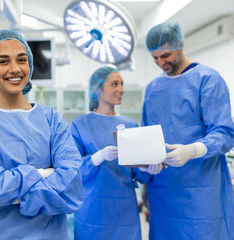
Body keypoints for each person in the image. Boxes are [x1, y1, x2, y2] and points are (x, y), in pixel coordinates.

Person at [0, 29, 83, 240]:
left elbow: (72, 182)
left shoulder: (51, 119)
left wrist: (11, 191)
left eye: (22, 60)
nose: (15, 68)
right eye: (3, 61)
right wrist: (42, 174)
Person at [142, 22, 234, 239]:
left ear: (180, 45)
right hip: (162, 189)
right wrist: (146, 177)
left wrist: (192, 150)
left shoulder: (207, 80)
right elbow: (146, 136)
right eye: (155, 58)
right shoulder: (153, 89)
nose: (160, 63)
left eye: (165, 55)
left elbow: (224, 132)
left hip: (201, 190)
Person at [70, 66, 163, 240]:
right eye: (114, 84)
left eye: (122, 84)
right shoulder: (79, 125)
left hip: (124, 211)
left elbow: (136, 172)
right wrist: (98, 157)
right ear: (97, 89)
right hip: (93, 211)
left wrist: (147, 169)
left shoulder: (130, 126)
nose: (121, 89)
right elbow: (71, 171)